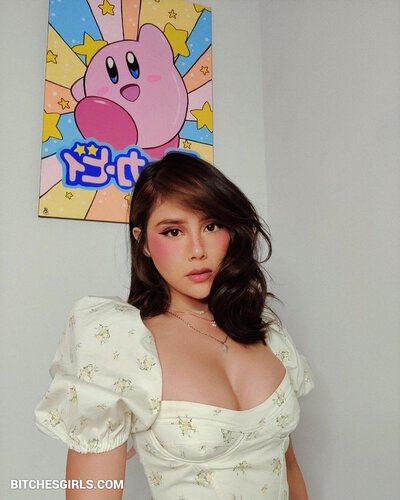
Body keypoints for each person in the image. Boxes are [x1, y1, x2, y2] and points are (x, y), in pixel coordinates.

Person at [34, 152, 314, 499]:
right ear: (143, 242)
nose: (198, 250)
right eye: (173, 231)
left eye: (211, 226)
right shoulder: (121, 344)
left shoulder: (266, 331)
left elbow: (289, 469)